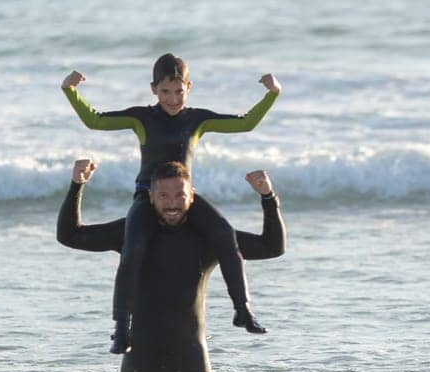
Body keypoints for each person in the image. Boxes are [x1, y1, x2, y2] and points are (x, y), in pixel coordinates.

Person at [56, 158, 285, 372]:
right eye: (163, 196)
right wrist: (77, 185)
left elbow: (272, 247)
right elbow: (70, 235)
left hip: (190, 362)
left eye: (180, 195)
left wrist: (268, 198)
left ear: (192, 195)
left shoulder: (208, 239)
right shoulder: (129, 233)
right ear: (149, 197)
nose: (172, 203)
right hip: (140, 362)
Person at [62, 54, 281, 353]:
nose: (173, 98)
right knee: (133, 246)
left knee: (224, 235)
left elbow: (245, 124)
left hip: (184, 196)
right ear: (154, 89)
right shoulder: (141, 118)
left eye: (179, 91)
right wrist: (70, 91)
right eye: (165, 92)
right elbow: (95, 120)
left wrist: (272, 94)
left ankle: (242, 310)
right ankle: (121, 329)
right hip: (147, 196)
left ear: (188, 87)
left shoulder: (198, 120)